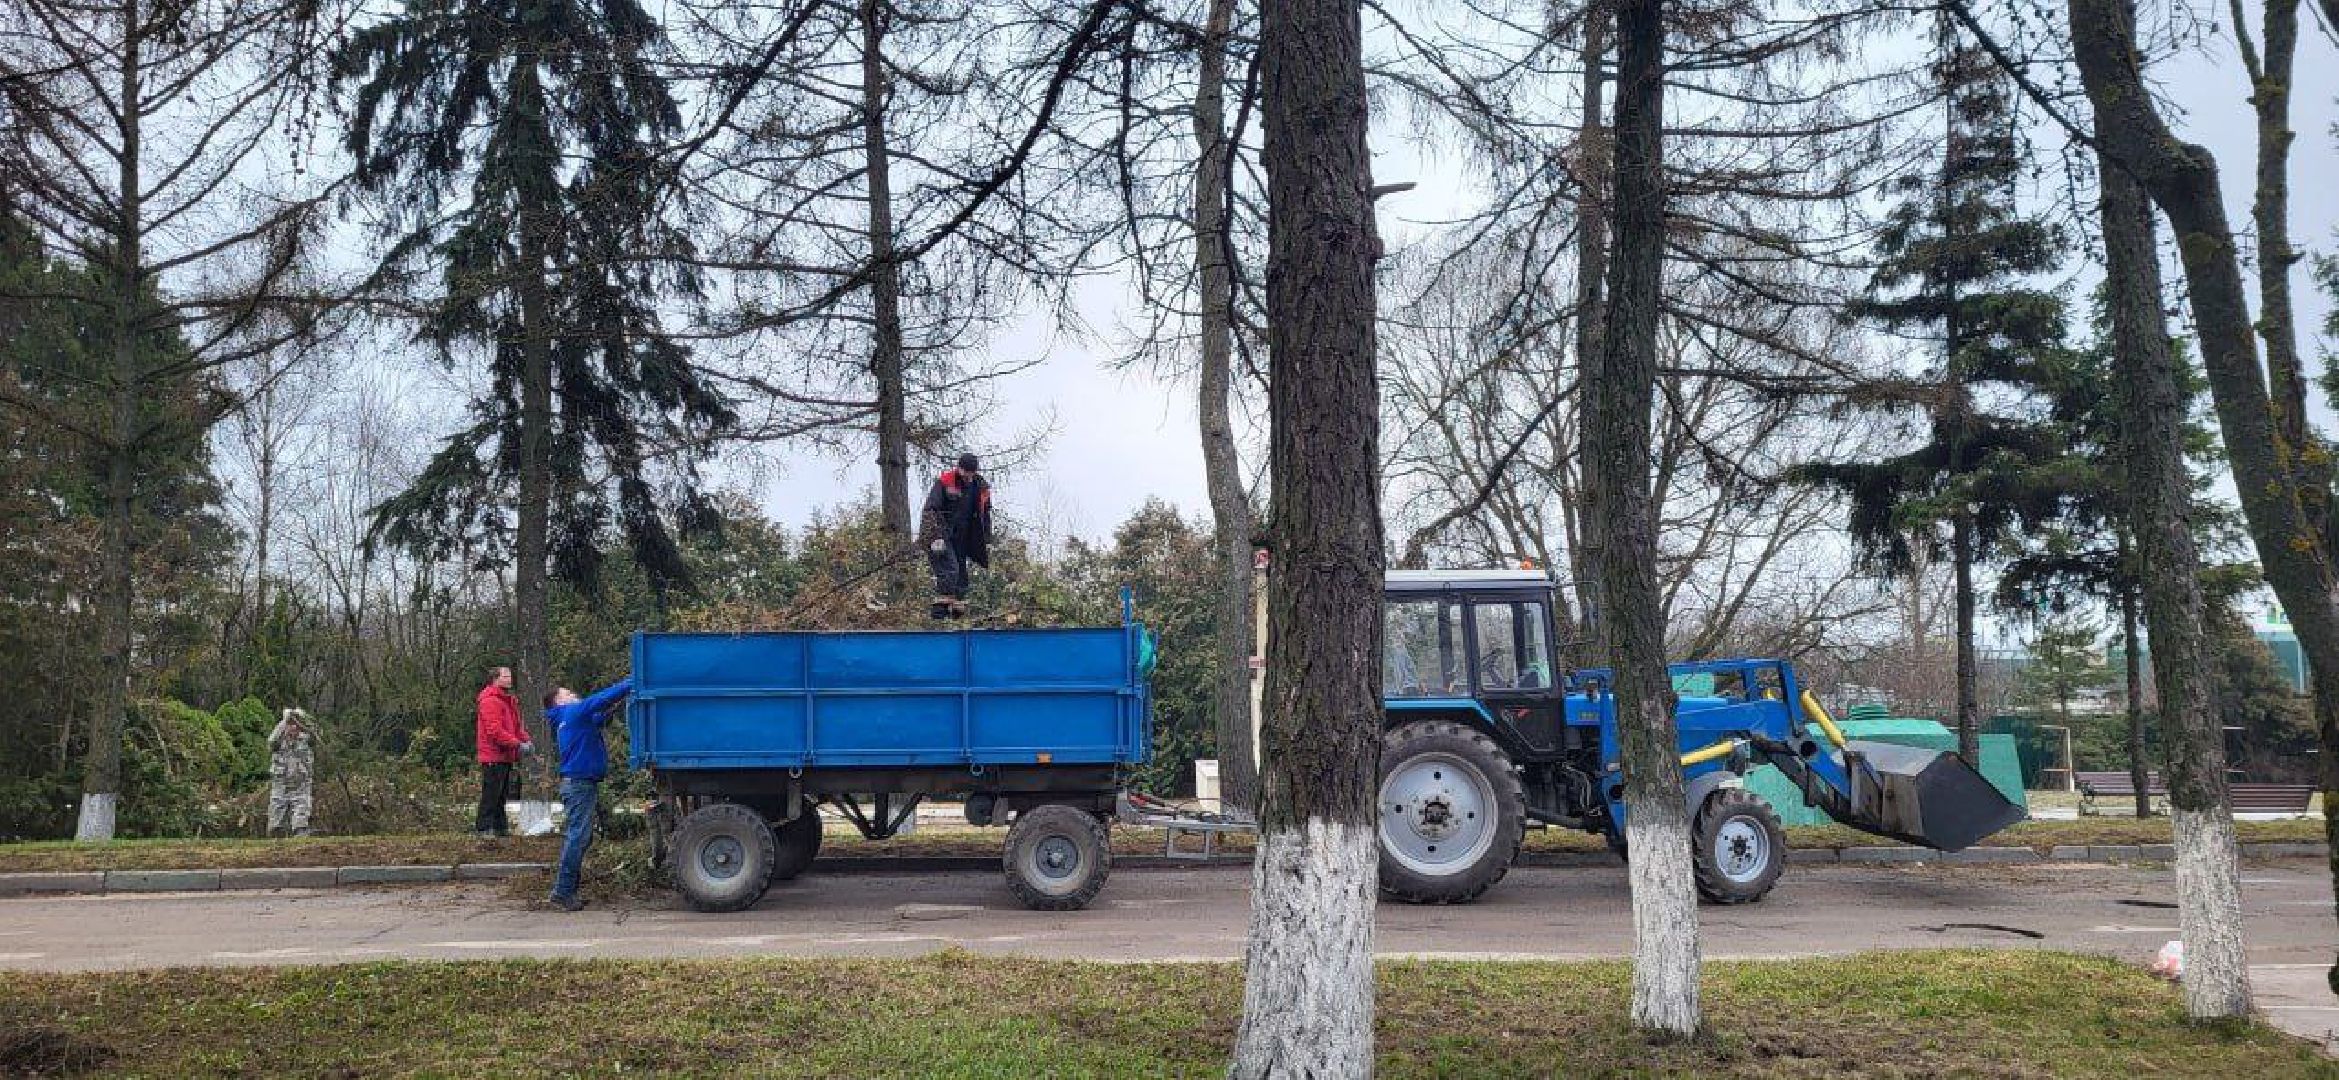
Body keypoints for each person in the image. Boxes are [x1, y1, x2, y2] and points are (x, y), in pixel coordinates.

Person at [545, 677, 634, 911]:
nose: (574, 694)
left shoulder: (569, 719)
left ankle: (567, 891)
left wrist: (618, 701)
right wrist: (632, 681)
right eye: (568, 693)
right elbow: (600, 699)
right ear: (558, 702)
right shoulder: (572, 712)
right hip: (579, 785)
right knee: (577, 838)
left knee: (580, 837)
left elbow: (599, 715)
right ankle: (562, 891)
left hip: (580, 784)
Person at [919, 453, 993, 620]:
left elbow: (985, 514)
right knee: (949, 570)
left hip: (963, 537)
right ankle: (939, 614)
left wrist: (986, 539)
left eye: (971, 473)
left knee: (961, 577)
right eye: (965, 472)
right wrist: (934, 536)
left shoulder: (981, 488)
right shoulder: (945, 482)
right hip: (941, 535)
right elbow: (930, 510)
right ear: (959, 468)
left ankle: (956, 615)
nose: (968, 476)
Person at [474, 666, 530, 837]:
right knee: (491, 793)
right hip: (493, 754)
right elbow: (495, 731)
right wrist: (517, 744)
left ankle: (500, 827)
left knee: (501, 794)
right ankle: (484, 827)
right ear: (495, 679)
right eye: (506, 676)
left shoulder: (508, 701)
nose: (509, 679)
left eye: (510, 675)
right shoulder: (490, 700)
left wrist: (525, 740)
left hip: (505, 755)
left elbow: (516, 726)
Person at [267, 708, 316, 837]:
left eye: (296, 725)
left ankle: (300, 835)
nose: (293, 727)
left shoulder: (306, 739)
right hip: (281, 784)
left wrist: (301, 718)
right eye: (290, 724)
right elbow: (271, 742)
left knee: (301, 814)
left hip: (301, 785)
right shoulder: (278, 740)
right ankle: (276, 836)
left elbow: (316, 734)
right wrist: (284, 721)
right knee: (276, 816)